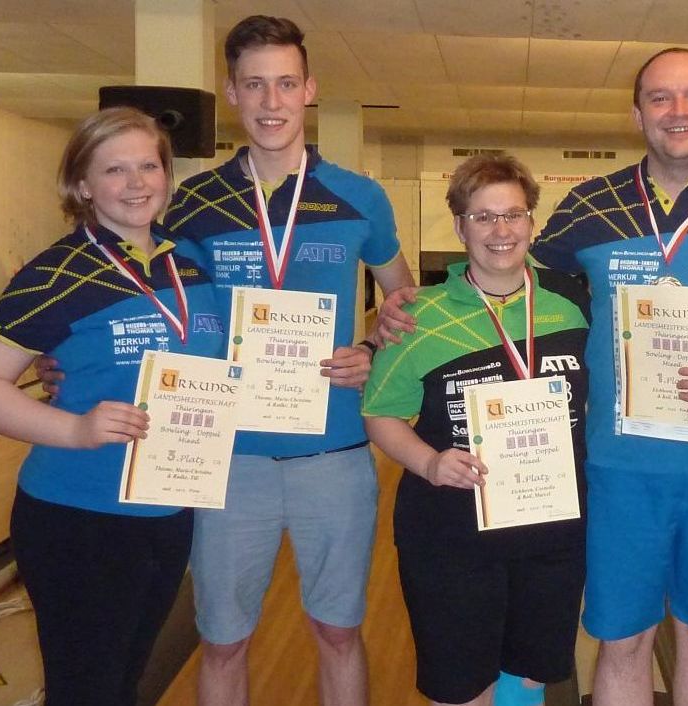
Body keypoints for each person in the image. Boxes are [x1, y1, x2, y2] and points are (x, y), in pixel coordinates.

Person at [381, 47, 688, 706]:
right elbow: (508, 277)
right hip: (614, 473)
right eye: (660, 97)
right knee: (622, 642)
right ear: (637, 112)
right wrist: (398, 313)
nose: (678, 112)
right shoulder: (592, 207)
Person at [39, 15, 415, 706]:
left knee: (337, 633)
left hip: (332, 455)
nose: (271, 102)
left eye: (285, 84)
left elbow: (405, 301)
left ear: (309, 90)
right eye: (254, 86)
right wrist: (71, 367)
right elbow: (148, 302)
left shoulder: (361, 197)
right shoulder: (193, 204)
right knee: (223, 640)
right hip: (222, 459)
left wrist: (367, 350)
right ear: (231, 94)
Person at [0, 107, 226, 705]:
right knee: (87, 690)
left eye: (148, 166)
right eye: (114, 170)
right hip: (79, 517)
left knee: (124, 682)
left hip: (167, 512)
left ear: (167, 174)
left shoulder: (189, 265)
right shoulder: (55, 274)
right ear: (81, 185)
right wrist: (75, 428)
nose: (135, 183)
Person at [362, 153, 589, 706]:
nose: (501, 230)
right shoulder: (421, 315)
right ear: (460, 225)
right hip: (451, 531)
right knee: (463, 687)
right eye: (483, 217)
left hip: (551, 528)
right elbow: (379, 413)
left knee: (530, 677)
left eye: (513, 214)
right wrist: (430, 463)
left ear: (532, 221)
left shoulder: (574, 307)